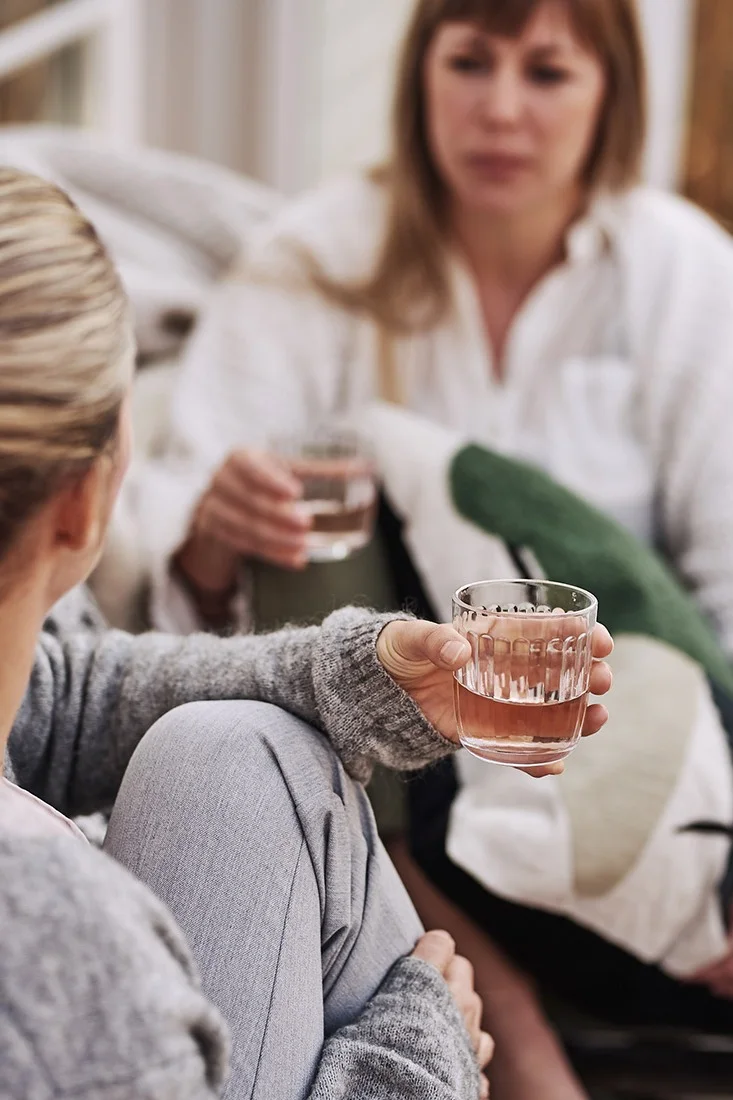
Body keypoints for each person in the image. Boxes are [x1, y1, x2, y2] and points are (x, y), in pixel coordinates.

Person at [135, 0, 733, 1093]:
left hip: (605, 751)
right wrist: (214, 538)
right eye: (469, 62)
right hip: (394, 769)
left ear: (611, 97)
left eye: (546, 72)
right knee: (343, 535)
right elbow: (170, 540)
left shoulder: (682, 275)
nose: (499, 109)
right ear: (420, 77)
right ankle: (504, 1014)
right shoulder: (318, 259)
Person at [0, 168, 615, 1098]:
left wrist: (357, 675)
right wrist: (420, 1055)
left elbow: (55, 706)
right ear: (84, 504)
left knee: (237, 750)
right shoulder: (74, 972)